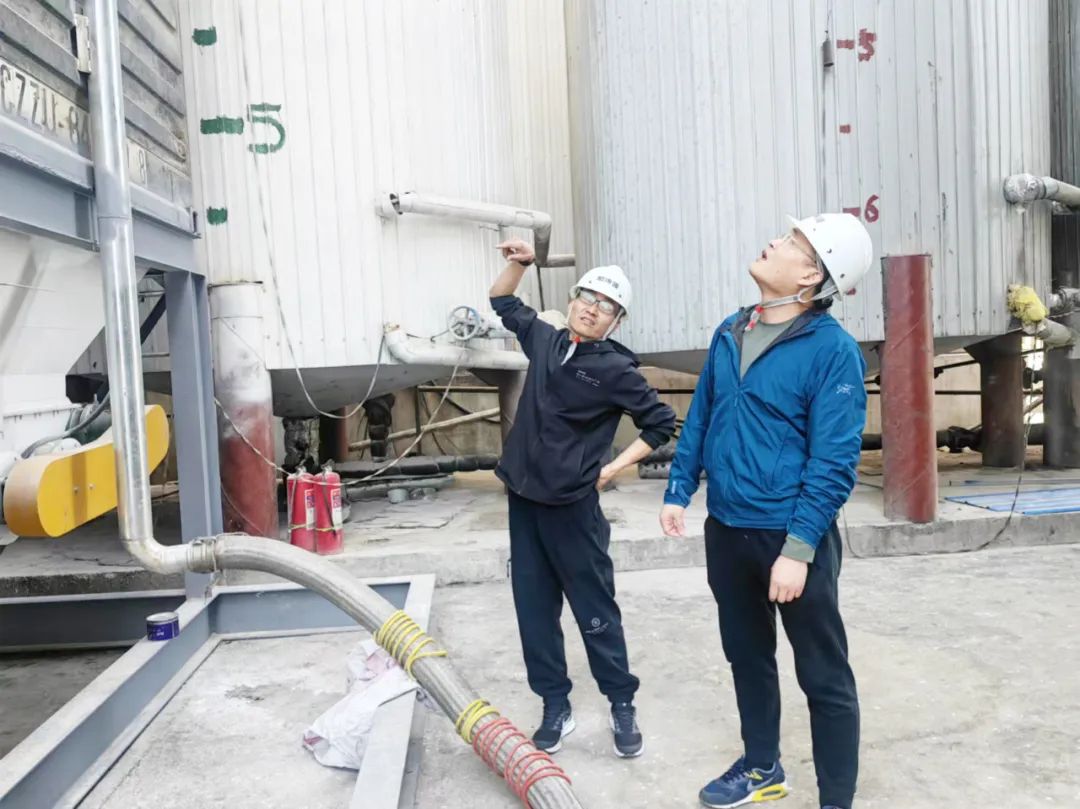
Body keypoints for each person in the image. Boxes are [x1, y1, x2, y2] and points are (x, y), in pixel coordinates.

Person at [659, 213, 872, 809]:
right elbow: (703, 413)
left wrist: (798, 550)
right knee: (747, 657)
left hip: (789, 535)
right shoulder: (732, 329)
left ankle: (836, 800)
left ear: (810, 275)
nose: (774, 241)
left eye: (792, 242)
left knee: (823, 674)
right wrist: (679, 488)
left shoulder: (832, 351)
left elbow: (835, 461)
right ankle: (761, 768)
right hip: (727, 530)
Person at [490, 237, 676, 758]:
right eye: (588, 298)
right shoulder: (546, 341)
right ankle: (555, 703)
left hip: (573, 510)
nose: (593, 309)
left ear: (616, 321)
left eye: (606, 306)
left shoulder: (616, 369)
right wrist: (518, 264)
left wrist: (612, 468)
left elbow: (661, 423)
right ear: (572, 299)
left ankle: (621, 701)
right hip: (524, 502)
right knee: (534, 611)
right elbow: (502, 301)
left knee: (594, 611)